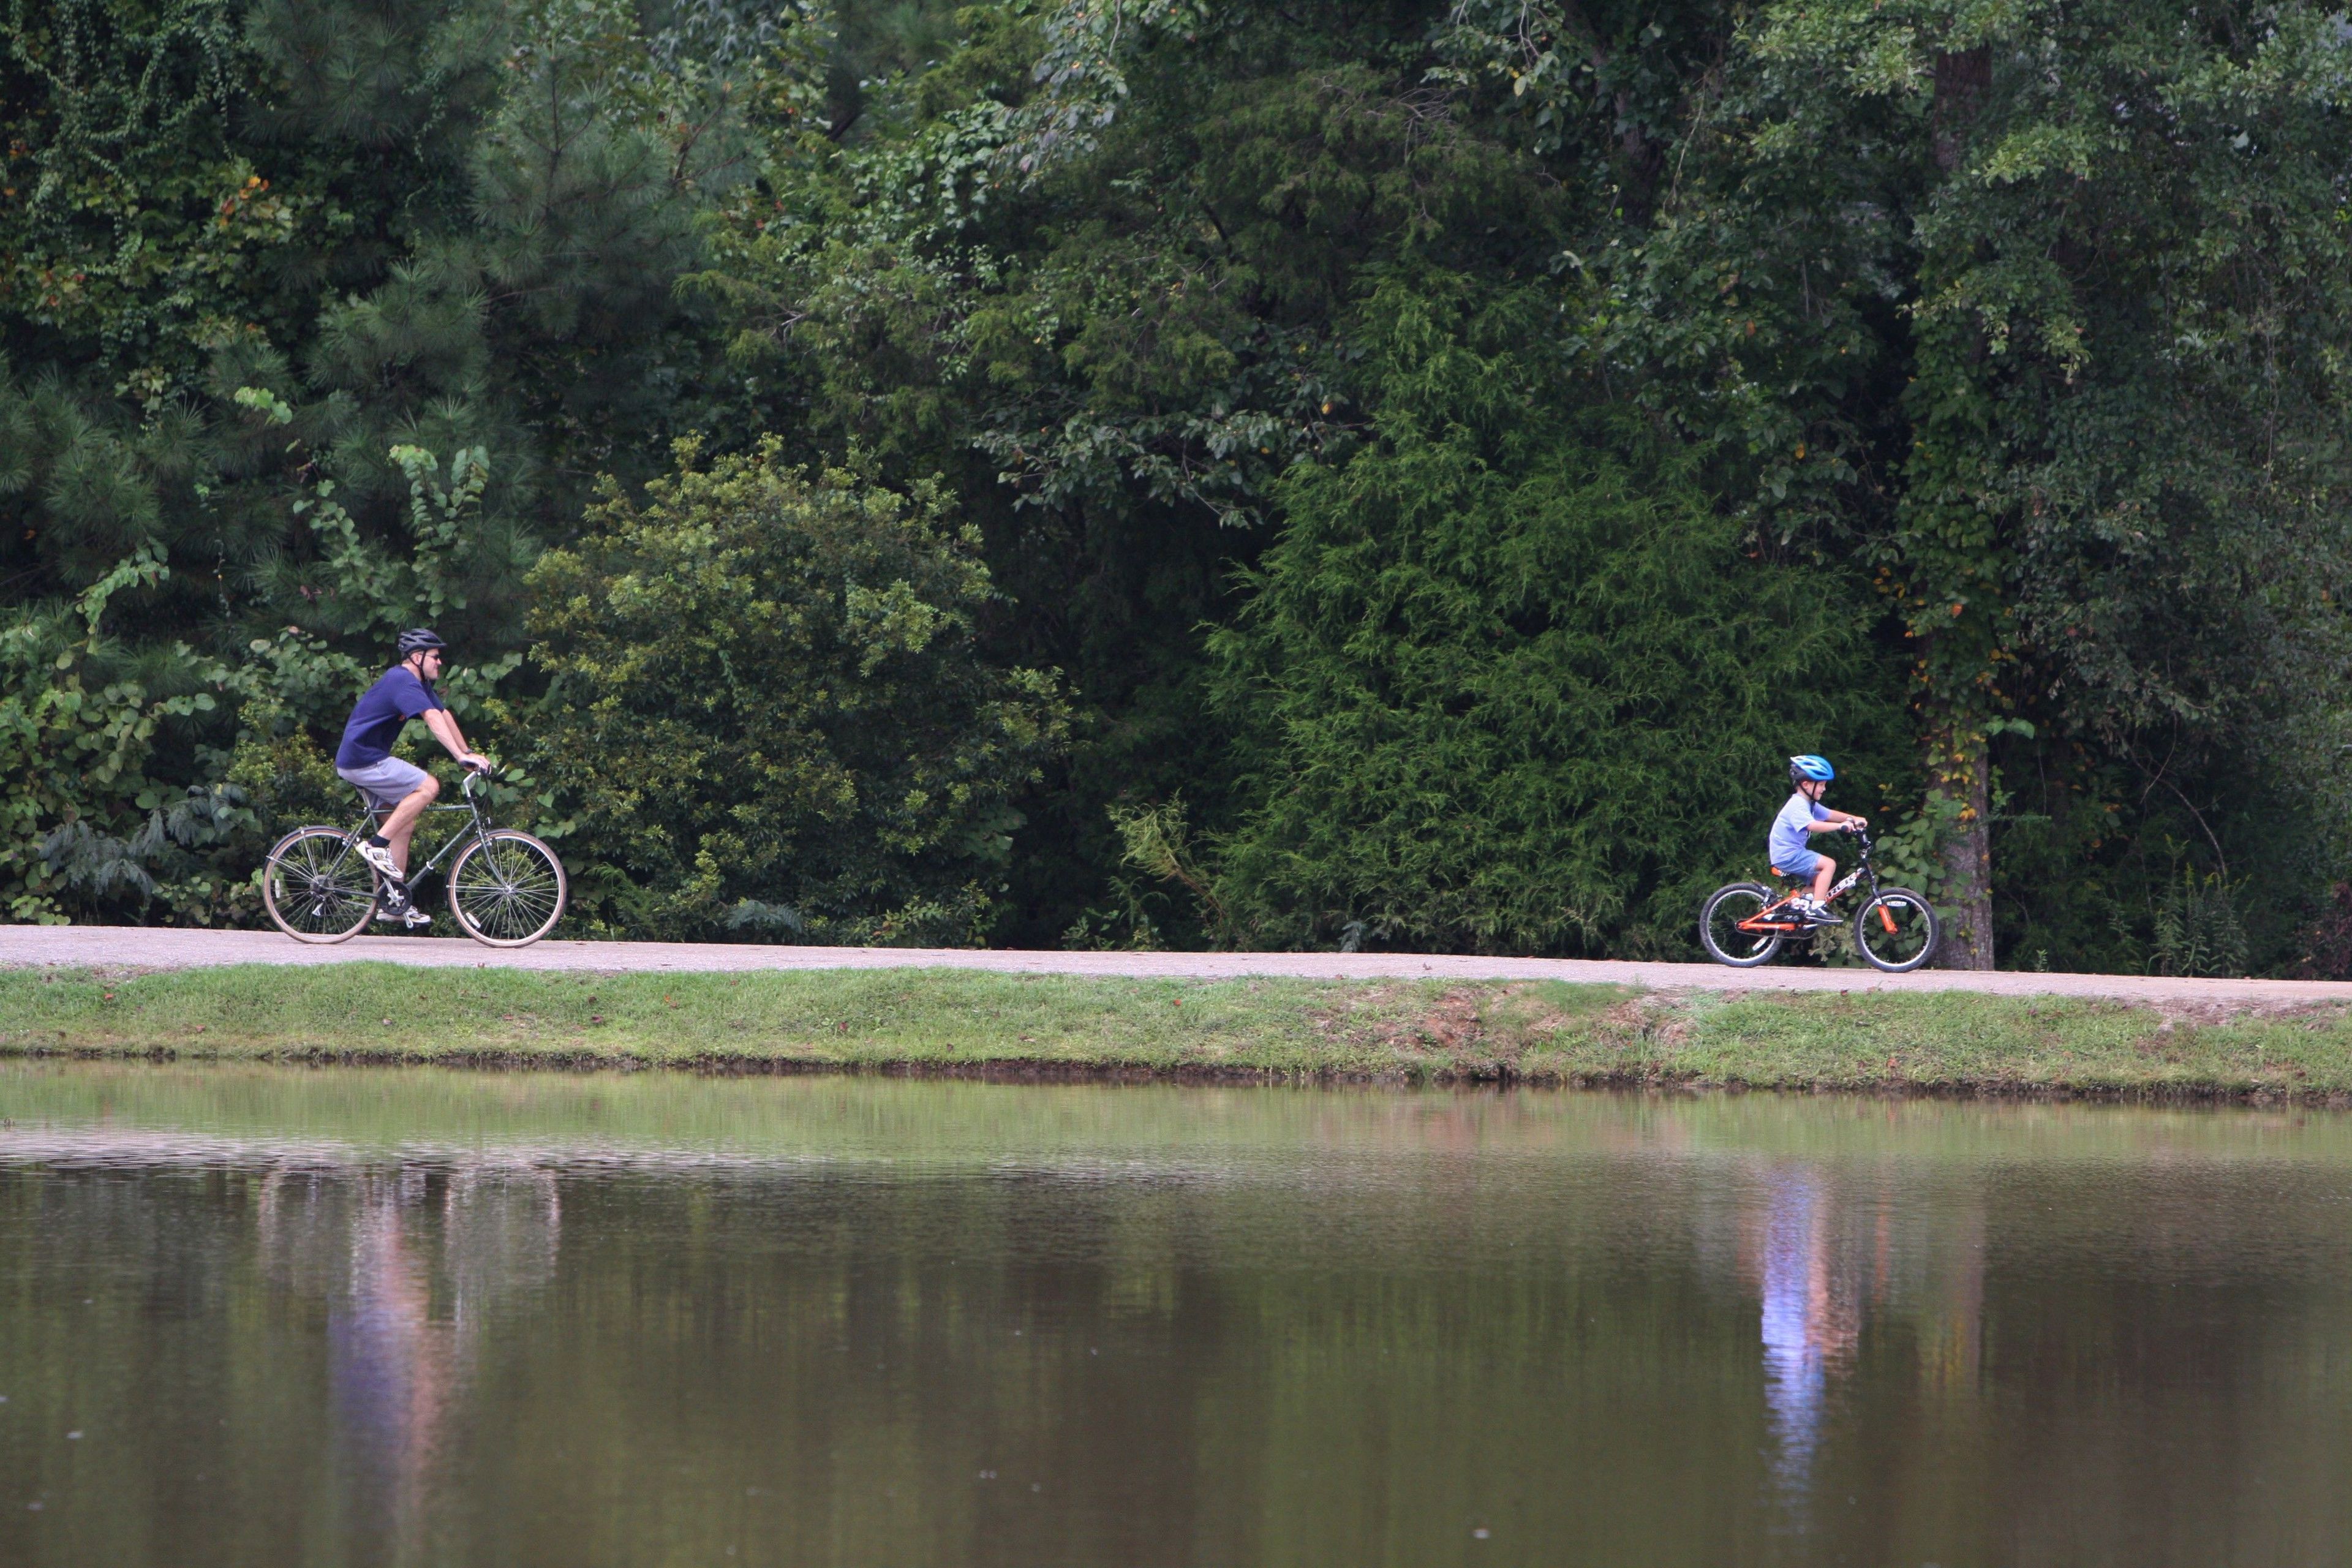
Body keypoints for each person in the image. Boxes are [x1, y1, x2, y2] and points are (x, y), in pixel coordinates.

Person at [334, 630, 492, 926]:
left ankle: (392, 902)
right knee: (428, 786)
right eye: (435, 656)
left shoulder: (418, 683)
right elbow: (431, 720)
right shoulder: (402, 680)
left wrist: (467, 752)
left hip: (363, 759)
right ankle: (376, 845)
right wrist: (459, 758)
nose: (440, 662)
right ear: (417, 658)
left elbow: (443, 715)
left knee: (404, 825)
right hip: (363, 759)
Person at [1771, 755, 1868, 923]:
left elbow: (1829, 814)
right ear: (1806, 785)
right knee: (1829, 865)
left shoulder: (1809, 804)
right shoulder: (1798, 805)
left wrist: (1854, 818)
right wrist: (1840, 826)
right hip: (1788, 855)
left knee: (1819, 882)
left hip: (1793, 853)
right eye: (1821, 784)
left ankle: (1797, 910)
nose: (1824, 789)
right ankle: (1817, 908)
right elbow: (1812, 826)